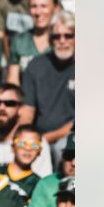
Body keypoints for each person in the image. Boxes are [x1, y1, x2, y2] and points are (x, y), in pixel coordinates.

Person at [19, 10, 74, 159]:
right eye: (56, 36)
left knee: (60, 147)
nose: (62, 41)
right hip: (39, 137)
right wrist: (25, 139)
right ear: (50, 40)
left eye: (68, 36)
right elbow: (27, 112)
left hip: (72, 137)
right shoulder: (36, 66)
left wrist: (47, 139)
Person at [6, 0, 57, 84]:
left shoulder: (64, 40)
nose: (38, 12)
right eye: (34, 6)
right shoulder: (19, 41)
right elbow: (13, 82)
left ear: (55, 8)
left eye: (44, 6)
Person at [0, 125, 45, 202]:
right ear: (12, 147)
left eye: (34, 145)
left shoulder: (39, 185)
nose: (28, 148)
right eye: (21, 144)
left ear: (40, 151)